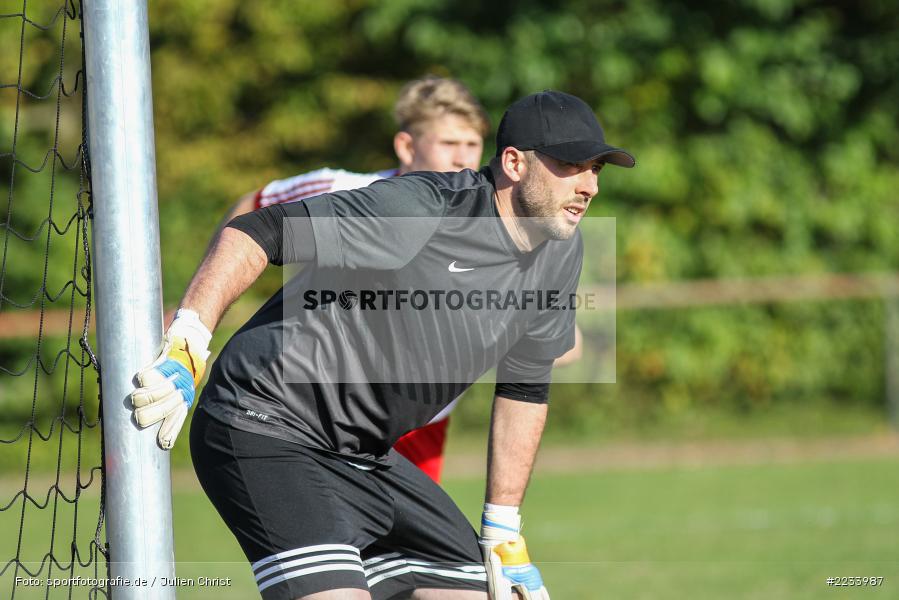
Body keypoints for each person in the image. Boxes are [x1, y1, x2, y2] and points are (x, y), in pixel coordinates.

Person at [132, 90, 634, 600]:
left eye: (597, 169)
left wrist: (504, 528)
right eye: (573, 165)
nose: (590, 185)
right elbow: (256, 230)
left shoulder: (559, 253)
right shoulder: (421, 208)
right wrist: (188, 342)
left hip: (365, 455)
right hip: (265, 421)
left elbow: (525, 387)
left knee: (471, 595)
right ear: (514, 163)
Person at [212, 76, 578, 484]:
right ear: (406, 146)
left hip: (421, 424)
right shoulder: (345, 189)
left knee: (417, 545)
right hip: (313, 407)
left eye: (472, 145)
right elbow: (254, 212)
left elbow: (555, 346)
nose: (463, 160)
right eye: (448, 144)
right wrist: (197, 309)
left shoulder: (499, 225)